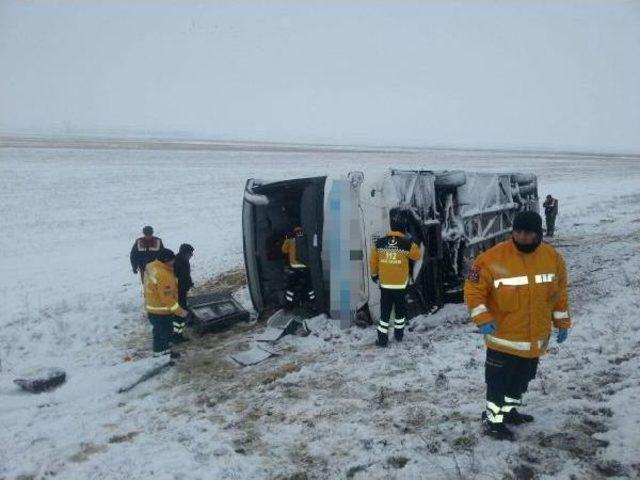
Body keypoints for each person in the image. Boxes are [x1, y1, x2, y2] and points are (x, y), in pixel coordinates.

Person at [464, 211, 571, 441]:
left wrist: (561, 322)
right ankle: (494, 422)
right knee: (497, 384)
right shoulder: (490, 259)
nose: (522, 237)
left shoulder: (553, 258)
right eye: (518, 232)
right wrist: (482, 319)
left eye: (528, 233)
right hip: (502, 340)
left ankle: (509, 412)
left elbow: (559, 293)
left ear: (538, 233)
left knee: (521, 382)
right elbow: (473, 291)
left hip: (534, 340)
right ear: (512, 231)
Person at [369, 208, 422, 347]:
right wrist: (411, 240)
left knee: (385, 313)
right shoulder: (406, 243)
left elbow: (373, 261)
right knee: (400, 311)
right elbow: (417, 255)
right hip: (400, 285)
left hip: (385, 285)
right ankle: (399, 335)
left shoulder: (379, 243)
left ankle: (382, 340)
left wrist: (374, 275)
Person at [143, 249, 189, 359]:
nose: (174, 262)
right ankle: (160, 357)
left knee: (162, 333)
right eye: (172, 260)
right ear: (166, 260)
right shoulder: (164, 275)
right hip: (161, 311)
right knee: (163, 335)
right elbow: (167, 299)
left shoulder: (151, 266)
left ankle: (166, 352)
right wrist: (181, 312)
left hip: (152, 306)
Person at [281, 226, 315, 309]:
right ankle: (312, 301)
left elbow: (284, 250)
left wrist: (286, 239)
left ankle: (289, 304)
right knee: (308, 286)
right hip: (306, 267)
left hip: (295, 267)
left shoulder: (290, 240)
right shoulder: (306, 239)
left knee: (291, 286)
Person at [173, 243, 195, 343]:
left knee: (182, 312)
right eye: (191, 253)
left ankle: (178, 333)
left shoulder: (183, 260)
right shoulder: (178, 262)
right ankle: (177, 336)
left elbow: (186, 275)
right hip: (178, 292)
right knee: (180, 313)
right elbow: (180, 277)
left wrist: (189, 283)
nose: (192, 255)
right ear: (185, 253)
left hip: (181, 291)